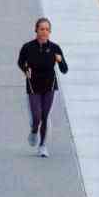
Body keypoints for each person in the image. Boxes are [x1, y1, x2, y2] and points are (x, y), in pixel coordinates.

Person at [17, 18, 69, 158]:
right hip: (33, 86)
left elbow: (64, 69)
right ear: (36, 30)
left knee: (45, 116)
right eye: (42, 29)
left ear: (50, 31)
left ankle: (43, 146)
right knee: (37, 116)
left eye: (47, 29)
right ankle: (34, 131)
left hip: (49, 86)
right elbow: (20, 62)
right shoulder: (28, 47)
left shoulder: (55, 48)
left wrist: (60, 61)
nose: (44, 32)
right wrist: (25, 69)